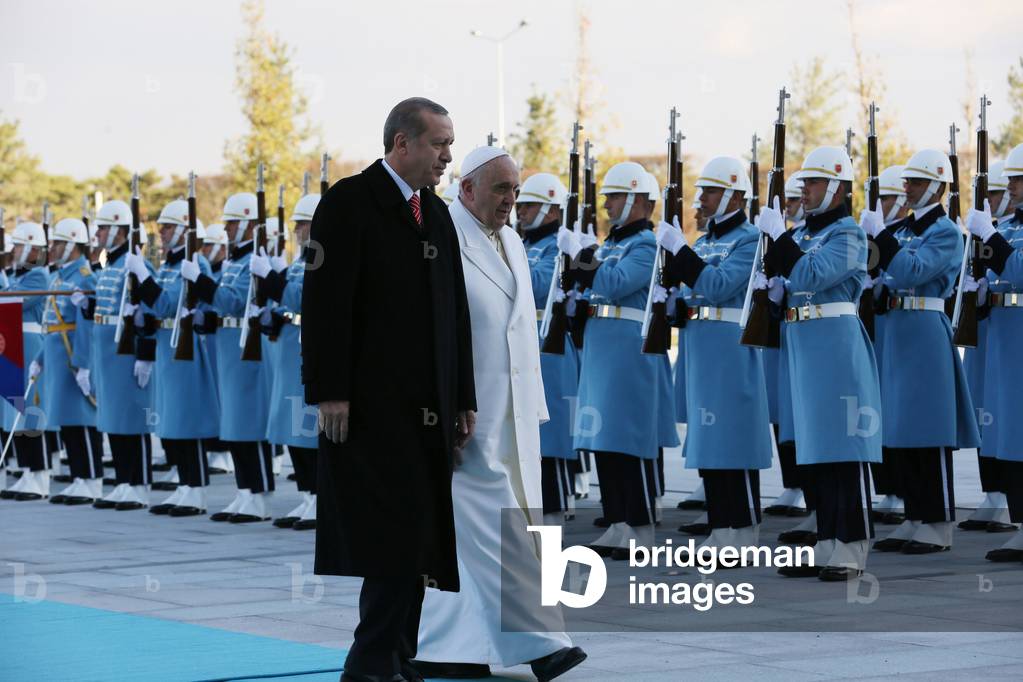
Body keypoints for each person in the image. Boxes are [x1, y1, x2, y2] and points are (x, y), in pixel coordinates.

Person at [302, 97, 476, 682]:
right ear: (402, 143)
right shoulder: (351, 203)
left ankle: (398, 655)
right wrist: (329, 391)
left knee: (419, 537)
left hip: (428, 407)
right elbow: (326, 305)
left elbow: (455, 314)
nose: (447, 156)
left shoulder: (437, 212)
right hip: (373, 406)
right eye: (438, 144)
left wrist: (463, 397)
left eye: (450, 144)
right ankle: (371, 661)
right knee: (392, 537)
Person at [411, 146, 585, 682]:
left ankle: (449, 649)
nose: (511, 200)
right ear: (466, 189)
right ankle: (544, 639)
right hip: (464, 412)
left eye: (516, 190)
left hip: (510, 409)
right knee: (491, 524)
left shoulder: (508, 238)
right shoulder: (440, 235)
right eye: (500, 189)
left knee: (473, 531)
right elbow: (429, 330)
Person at [760, 146, 883, 581]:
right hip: (802, 343)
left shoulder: (848, 235)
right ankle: (827, 540)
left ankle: (851, 544)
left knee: (841, 449)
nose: (804, 191)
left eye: (812, 183)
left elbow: (812, 276)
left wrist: (780, 241)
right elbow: (792, 282)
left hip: (834, 345)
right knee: (813, 449)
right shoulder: (806, 234)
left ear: (836, 188)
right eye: (805, 183)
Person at [558, 160, 679, 560]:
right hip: (602, 345)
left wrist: (582, 260)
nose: (608, 204)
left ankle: (640, 525)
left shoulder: (646, 245)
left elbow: (613, 283)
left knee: (630, 440)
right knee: (605, 440)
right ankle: (618, 521)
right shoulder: (611, 244)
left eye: (614, 196)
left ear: (636, 200)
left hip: (629, 349)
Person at [657, 156, 773, 553]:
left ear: (734, 195)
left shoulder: (749, 238)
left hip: (728, 344)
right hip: (701, 343)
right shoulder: (706, 241)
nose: (701, 199)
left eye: (709, 191)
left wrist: (681, 254)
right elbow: (695, 290)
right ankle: (722, 523)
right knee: (710, 439)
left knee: (732, 438)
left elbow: (720, 285)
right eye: (701, 191)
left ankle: (741, 527)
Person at [867, 150, 981, 554]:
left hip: (925, 333)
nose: (907, 189)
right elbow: (885, 272)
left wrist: (880, 239)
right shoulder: (902, 231)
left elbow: (915, 272)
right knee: (900, 429)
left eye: (915, 183)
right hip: (896, 332)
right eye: (908, 182)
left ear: (935, 186)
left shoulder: (946, 232)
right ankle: (915, 515)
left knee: (929, 431)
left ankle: (937, 522)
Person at [181, 192, 275, 523]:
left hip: (245, 347)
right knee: (233, 423)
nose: (229, 227)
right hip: (227, 344)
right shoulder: (235, 261)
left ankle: (260, 495)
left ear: (250, 224)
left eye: (234, 222)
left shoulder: (254, 260)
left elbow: (233, 302)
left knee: (249, 420)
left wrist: (202, 282)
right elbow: (223, 305)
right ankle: (244, 491)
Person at [128, 200, 220, 516]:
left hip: (187, 348)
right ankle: (184, 486)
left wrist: (142, 277)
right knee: (170, 420)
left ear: (183, 229)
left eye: (167, 227)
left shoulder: (196, 265)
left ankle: (197, 490)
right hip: (168, 346)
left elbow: (168, 305)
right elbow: (160, 311)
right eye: (161, 227)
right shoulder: (168, 265)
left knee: (187, 419)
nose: (162, 233)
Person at [967, 141, 1023, 561]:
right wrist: (980, 293)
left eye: (1020, 181)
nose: (1014, 187)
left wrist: (991, 237)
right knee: (1008, 432)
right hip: (1005, 333)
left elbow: (1019, 270)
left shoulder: (1006, 231)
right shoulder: (1014, 225)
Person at [252, 193, 320, 530]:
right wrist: (272, 313)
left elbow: (305, 298)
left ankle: (321, 498)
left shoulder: (321, 258)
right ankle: (308, 496)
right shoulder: (300, 259)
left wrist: (271, 281)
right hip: (290, 347)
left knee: (307, 429)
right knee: (290, 427)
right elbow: (289, 303)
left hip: (309, 349)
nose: (296, 230)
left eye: (302, 224)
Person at [517, 171, 579, 525]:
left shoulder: (559, 244)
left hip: (548, 342)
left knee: (550, 438)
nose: (520, 211)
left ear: (552, 210)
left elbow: (539, 285)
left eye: (530, 205)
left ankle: (553, 515)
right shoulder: (524, 244)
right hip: (528, 343)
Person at [88, 200, 156, 511]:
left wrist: (146, 353)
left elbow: (148, 312)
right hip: (107, 353)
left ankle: (139, 484)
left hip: (126, 351)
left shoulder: (135, 265)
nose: (98, 233)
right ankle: (124, 482)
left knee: (132, 420)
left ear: (118, 230)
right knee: (113, 419)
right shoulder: (108, 268)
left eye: (103, 227)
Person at [959, 159, 1014, 533]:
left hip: (1012, 332)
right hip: (993, 328)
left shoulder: (1002, 235)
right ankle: (994, 493)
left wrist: (991, 238)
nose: (993, 199)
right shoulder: (1001, 230)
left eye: (1000, 191)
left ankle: (1007, 499)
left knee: (1009, 418)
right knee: (987, 415)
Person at [36, 218, 103, 506]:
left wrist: (84, 363)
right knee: (67, 422)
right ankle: (79, 478)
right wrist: (39, 359)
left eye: (59, 243)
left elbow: (86, 325)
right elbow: (49, 322)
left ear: (73, 245)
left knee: (82, 420)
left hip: (73, 356)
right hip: (56, 355)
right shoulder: (60, 277)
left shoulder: (85, 277)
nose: (53, 248)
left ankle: (92, 480)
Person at [866, 165, 910, 525]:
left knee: (903, 414)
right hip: (880, 327)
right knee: (882, 414)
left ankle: (905, 493)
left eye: (888, 198)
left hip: (904, 330)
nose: (881, 205)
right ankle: (889, 488)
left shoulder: (902, 236)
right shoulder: (875, 235)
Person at [0, 222, 52, 501]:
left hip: (30, 345)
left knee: (31, 411)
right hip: (13, 345)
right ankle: (27, 472)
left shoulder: (38, 277)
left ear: (33, 248)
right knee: (15, 412)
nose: (15, 250)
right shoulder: (19, 277)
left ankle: (41, 475)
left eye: (20, 245)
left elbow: (13, 302)